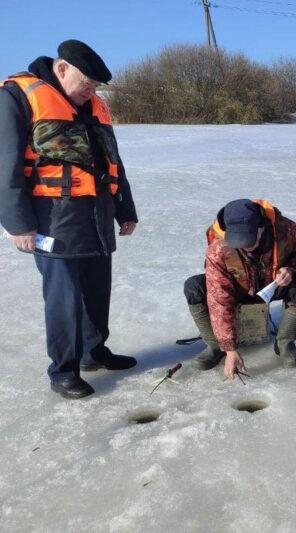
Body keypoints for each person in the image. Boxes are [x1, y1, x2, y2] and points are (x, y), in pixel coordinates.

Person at [0, 40, 139, 399]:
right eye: (87, 84)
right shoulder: (19, 96)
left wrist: (125, 209)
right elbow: (5, 166)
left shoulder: (94, 106)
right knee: (63, 299)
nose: (91, 92)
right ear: (62, 69)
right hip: (52, 220)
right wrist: (19, 225)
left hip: (97, 215)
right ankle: (63, 370)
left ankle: (95, 352)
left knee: (97, 290)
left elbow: (113, 163)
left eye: (96, 87)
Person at [183, 199, 296, 379]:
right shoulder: (217, 249)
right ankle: (215, 345)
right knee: (194, 287)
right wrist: (230, 348)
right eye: (238, 241)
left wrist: (292, 268)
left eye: (249, 240)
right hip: (237, 289)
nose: (245, 247)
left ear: (261, 228)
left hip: (273, 285)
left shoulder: (285, 228)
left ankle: (284, 343)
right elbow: (219, 299)